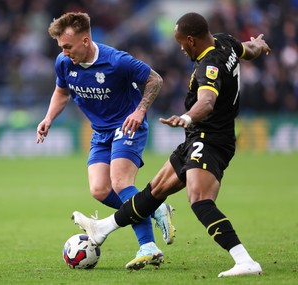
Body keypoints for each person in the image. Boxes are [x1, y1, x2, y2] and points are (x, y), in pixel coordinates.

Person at [72, 12, 271, 276]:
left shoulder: (207, 65)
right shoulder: (226, 42)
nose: (180, 47)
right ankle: (103, 228)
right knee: (153, 193)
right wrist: (259, 44)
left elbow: (207, 101)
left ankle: (244, 260)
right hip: (197, 138)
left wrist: (187, 117)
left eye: (181, 42)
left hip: (210, 139)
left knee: (200, 200)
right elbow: (250, 49)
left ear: (191, 40)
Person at [36, 12, 175, 270]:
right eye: (61, 47)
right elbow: (61, 92)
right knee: (99, 190)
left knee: (121, 183)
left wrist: (140, 111)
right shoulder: (64, 63)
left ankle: (148, 246)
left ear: (86, 41)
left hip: (127, 124)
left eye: (68, 46)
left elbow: (155, 79)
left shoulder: (116, 61)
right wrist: (48, 118)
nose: (64, 52)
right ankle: (152, 207)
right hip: (100, 132)